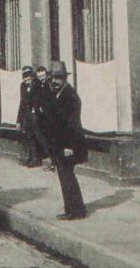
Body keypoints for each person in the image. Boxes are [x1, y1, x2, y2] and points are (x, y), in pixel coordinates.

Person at [40, 61, 88, 220]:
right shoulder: (56, 93)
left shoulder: (70, 95)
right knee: (64, 175)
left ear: (65, 78)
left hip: (69, 144)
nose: (55, 81)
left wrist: (69, 146)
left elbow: (72, 124)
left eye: (58, 78)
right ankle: (73, 209)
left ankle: (76, 211)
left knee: (67, 176)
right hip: (59, 144)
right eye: (53, 77)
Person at [17, 66, 45, 167]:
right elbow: (22, 102)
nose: (27, 82)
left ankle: (50, 159)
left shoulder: (37, 85)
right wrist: (18, 120)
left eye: (28, 79)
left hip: (35, 115)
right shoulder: (23, 86)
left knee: (39, 136)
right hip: (26, 116)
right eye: (25, 80)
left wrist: (35, 110)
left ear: (32, 78)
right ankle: (33, 158)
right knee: (29, 137)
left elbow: (38, 100)